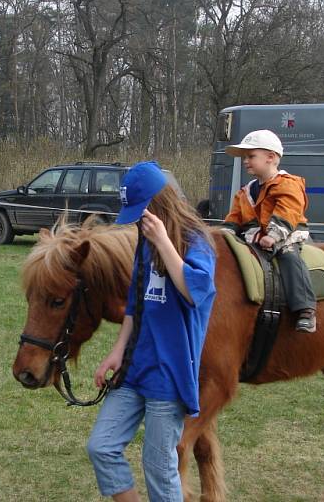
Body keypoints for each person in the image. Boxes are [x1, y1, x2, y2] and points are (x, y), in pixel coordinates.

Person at [87, 161, 216, 502]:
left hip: (168, 374)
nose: (138, 222)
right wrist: (117, 351)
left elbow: (194, 291)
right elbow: (135, 303)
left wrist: (163, 242)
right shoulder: (144, 243)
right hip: (135, 368)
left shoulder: (197, 241)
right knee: (102, 446)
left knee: (159, 467)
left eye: (141, 212)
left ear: (160, 204)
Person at [222, 129, 317, 332]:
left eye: (251, 156)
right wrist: (225, 233)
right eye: (245, 157)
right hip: (253, 238)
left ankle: (305, 309)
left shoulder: (287, 185)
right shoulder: (245, 191)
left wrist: (273, 235)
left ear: (271, 157)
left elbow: (288, 210)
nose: (246, 161)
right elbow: (235, 217)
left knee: (289, 258)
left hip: (285, 235)